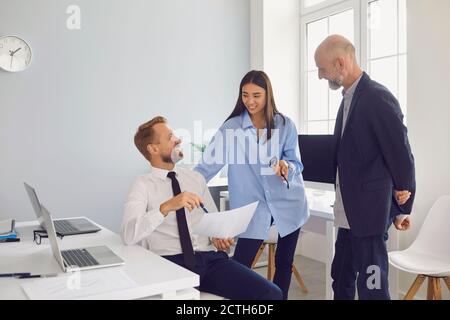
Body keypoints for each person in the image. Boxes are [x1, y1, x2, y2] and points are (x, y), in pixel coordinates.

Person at [120, 116, 282, 300]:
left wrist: (217, 237)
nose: (178, 139)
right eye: (170, 136)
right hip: (170, 262)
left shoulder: (195, 178)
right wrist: (165, 207)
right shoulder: (142, 184)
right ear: (153, 148)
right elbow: (128, 234)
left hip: (210, 260)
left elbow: (212, 221)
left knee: (271, 294)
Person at [314, 35, 416, 300]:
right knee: (341, 279)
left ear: (340, 63)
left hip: (369, 218)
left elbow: (401, 154)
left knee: (372, 287)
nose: (319, 75)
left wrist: (402, 207)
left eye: (322, 69)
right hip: (347, 215)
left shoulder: (377, 98)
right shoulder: (348, 98)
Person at [194, 70, 310, 300]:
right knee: (240, 267)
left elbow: (296, 163)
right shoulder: (231, 129)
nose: (250, 101)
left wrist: (287, 166)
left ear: (268, 95)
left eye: (256, 95)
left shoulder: (285, 125)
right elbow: (205, 168)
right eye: (245, 95)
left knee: (284, 264)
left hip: (289, 204)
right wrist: (184, 187)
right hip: (251, 210)